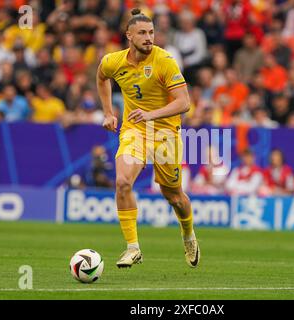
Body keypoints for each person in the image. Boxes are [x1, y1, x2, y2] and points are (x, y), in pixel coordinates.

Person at [96, 9, 199, 268]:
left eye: (151, 32)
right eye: (142, 33)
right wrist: (108, 112)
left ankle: (188, 234)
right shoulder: (113, 61)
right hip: (135, 130)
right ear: (128, 35)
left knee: (174, 196)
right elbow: (101, 77)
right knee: (122, 182)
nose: (148, 37)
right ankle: (133, 248)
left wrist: (151, 114)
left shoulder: (165, 60)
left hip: (165, 134)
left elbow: (184, 102)